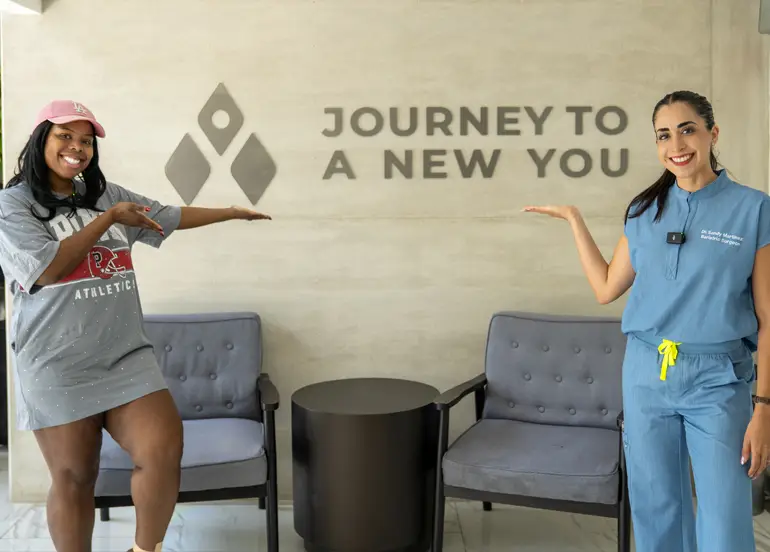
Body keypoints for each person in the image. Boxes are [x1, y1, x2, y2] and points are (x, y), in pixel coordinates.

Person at [0, 100, 271, 552]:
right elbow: (47, 270)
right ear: (39, 140)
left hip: (125, 354)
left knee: (163, 450)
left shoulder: (103, 195)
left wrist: (229, 212)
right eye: (65, 136)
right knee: (75, 475)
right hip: (56, 361)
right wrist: (108, 220)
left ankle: (145, 550)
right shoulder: (13, 205)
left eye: (86, 141)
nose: (77, 147)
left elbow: (167, 215)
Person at [523, 90, 770, 552]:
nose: (676, 143)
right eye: (663, 134)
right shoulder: (643, 211)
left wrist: (764, 409)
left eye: (687, 129)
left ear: (712, 134)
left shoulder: (754, 209)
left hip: (718, 380)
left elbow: (769, 319)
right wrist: (576, 220)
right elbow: (605, 288)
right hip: (645, 375)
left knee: (724, 519)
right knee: (656, 509)